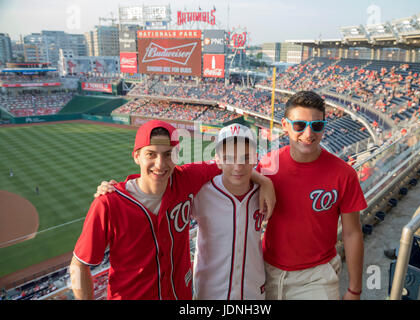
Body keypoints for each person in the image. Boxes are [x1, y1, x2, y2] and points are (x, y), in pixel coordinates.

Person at [71, 119, 275, 300]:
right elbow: (79, 264)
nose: (160, 164)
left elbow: (232, 165)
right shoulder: (109, 202)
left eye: (168, 154)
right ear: (136, 156)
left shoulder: (185, 179)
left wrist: (264, 181)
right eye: (151, 154)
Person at [258, 91, 367, 300]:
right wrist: (261, 179)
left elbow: (352, 233)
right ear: (285, 124)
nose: (308, 133)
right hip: (266, 270)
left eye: (317, 126)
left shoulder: (344, 174)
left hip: (317, 276)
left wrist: (355, 289)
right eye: (299, 125)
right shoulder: (268, 165)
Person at [192, 123, 265, 300]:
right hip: (209, 294)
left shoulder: (264, 192)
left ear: (255, 158)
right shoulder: (201, 193)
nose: (238, 166)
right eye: (229, 158)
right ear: (217, 160)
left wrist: (266, 183)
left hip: (253, 291)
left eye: (245, 157)